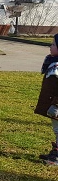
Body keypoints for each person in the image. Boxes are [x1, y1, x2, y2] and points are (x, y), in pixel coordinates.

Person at [35, 34, 58, 164]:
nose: (50, 46)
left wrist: (56, 104)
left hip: (56, 105)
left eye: (54, 44)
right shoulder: (52, 62)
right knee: (56, 128)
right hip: (52, 103)